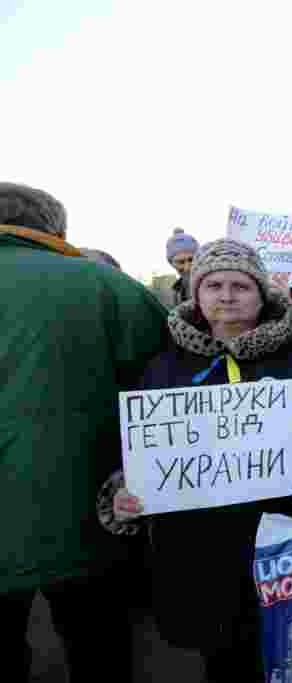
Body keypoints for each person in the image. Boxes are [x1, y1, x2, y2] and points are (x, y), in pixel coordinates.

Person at [104, 239, 292, 682]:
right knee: (222, 661)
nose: (227, 295)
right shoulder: (162, 366)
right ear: (196, 295)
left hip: (281, 545)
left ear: (262, 295)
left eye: (241, 285)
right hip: (198, 549)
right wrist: (122, 494)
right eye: (214, 284)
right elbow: (135, 450)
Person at [0, 183, 169, 682]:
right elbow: (167, 388)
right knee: (98, 650)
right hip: (86, 520)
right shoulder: (108, 288)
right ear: (55, 230)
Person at [166, 227, 199, 306]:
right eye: (181, 262)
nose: (187, 267)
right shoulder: (176, 292)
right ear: (171, 264)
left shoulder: (213, 283)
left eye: (191, 260)